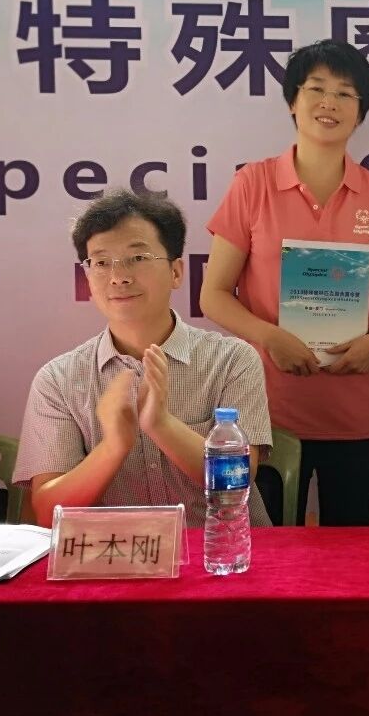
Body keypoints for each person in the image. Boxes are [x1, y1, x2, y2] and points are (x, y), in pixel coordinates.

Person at [202, 39, 369, 527]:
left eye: (345, 93)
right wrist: (269, 336)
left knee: (350, 544)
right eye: (316, 89)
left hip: (355, 405)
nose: (328, 103)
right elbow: (213, 295)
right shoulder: (253, 184)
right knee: (271, 547)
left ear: (361, 111)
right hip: (269, 406)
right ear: (292, 101)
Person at [14, 190, 272, 528]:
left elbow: (236, 480)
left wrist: (161, 425)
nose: (119, 276)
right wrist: (113, 447)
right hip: (113, 553)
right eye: (101, 262)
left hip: (222, 548)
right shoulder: (58, 380)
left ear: (176, 272)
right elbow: (47, 512)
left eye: (137, 258)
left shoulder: (232, 360)